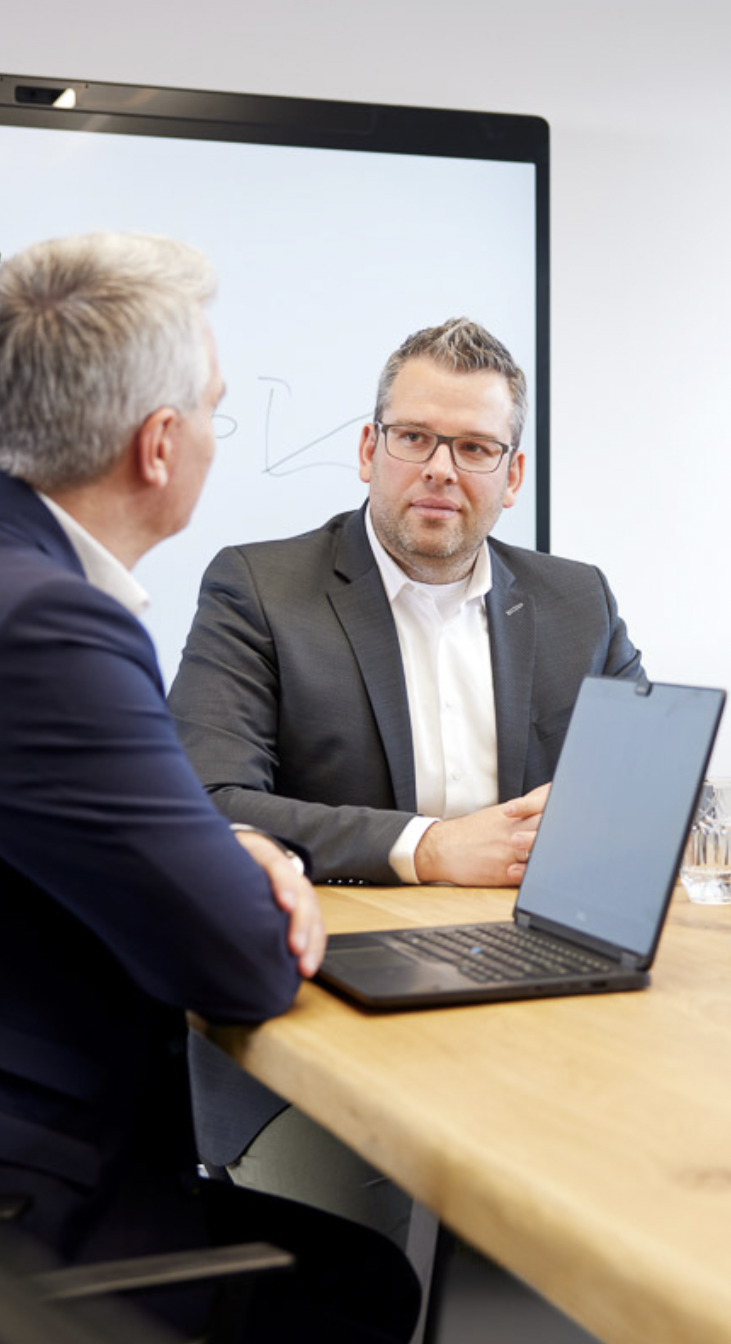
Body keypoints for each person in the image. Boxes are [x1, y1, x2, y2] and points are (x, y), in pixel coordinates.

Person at [0, 232, 418, 1341]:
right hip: (35, 1202)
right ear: (159, 444)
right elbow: (238, 963)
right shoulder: (48, 624)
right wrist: (262, 860)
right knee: (358, 1286)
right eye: (218, 413)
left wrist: (219, 852)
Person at [167, 316, 644, 888]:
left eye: (474, 448)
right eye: (414, 437)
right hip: (345, 940)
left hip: (529, 937)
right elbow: (205, 801)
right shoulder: (258, 590)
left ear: (513, 476)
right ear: (370, 450)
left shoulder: (580, 603)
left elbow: (646, 792)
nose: (440, 470)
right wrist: (430, 848)